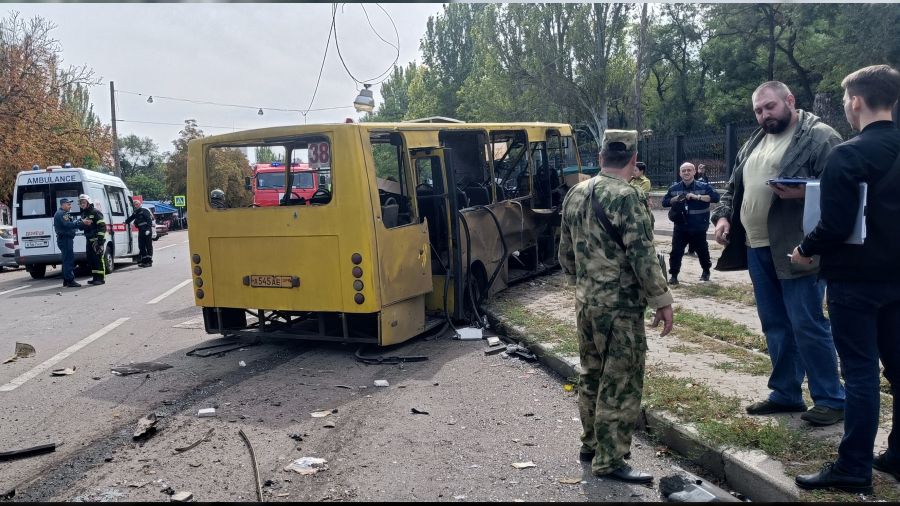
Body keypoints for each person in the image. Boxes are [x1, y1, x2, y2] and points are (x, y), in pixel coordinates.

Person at [710, 81, 845, 426]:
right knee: (775, 325)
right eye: (758, 110)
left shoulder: (820, 137)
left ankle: (831, 398)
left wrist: (804, 194)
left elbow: (843, 190)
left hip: (798, 247)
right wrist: (723, 215)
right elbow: (733, 185)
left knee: (807, 323)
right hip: (757, 247)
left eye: (769, 107)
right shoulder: (755, 141)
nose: (764, 115)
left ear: (789, 100)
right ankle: (786, 393)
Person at [793, 64, 900, 494]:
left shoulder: (849, 154)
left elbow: (835, 224)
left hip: (855, 284)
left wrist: (804, 249)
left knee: (859, 374)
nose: (846, 108)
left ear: (856, 101)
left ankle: (853, 466)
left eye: (845, 101)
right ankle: (896, 455)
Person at [559, 129, 674, 484]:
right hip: (620, 307)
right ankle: (610, 460)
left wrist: (587, 284)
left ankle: (591, 444)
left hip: (586, 302)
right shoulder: (627, 197)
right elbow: (643, 256)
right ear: (633, 157)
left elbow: (564, 255)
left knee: (591, 372)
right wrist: (662, 300)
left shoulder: (576, 193)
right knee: (621, 380)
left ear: (601, 154)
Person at [662, 163, 720, 284]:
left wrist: (697, 197)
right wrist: (676, 199)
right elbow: (664, 202)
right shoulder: (674, 188)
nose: (686, 173)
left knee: (702, 250)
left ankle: (705, 272)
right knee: (676, 251)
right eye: (683, 171)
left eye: (689, 170)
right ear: (680, 173)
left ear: (694, 172)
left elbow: (715, 197)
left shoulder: (704, 186)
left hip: (699, 226)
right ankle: (674, 276)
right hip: (680, 226)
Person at [53, 198, 83, 287]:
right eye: (68, 204)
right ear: (63, 205)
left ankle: (66, 280)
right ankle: (70, 280)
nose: (70, 206)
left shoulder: (63, 213)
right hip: (65, 239)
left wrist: (78, 221)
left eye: (70, 204)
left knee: (67, 260)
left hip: (65, 239)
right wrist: (80, 223)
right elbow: (68, 225)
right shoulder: (61, 214)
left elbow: (69, 224)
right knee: (68, 260)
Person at [78, 194, 107, 285]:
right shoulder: (84, 213)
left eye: (83, 202)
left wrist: (100, 240)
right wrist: (81, 224)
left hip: (96, 240)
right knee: (91, 260)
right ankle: (95, 278)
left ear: (88, 202)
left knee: (98, 259)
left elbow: (102, 226)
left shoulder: (95, 212)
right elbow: (81, 227)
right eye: (81, 203)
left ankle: (101, 279)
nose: (82, 204)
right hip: (89, 240)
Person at [125, 199, 154, 267]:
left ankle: (149, 261)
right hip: (141, 231)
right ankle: (144, 261)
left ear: (140, 204)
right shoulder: (136, 212)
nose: (136, 206)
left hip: (147, 231)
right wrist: (125, 222)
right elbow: (131, 218)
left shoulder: (144, 211)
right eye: (135, 205)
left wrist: (148, 229)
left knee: (148, 246)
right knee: (141, 246)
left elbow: (149, 220)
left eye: (137, 204)